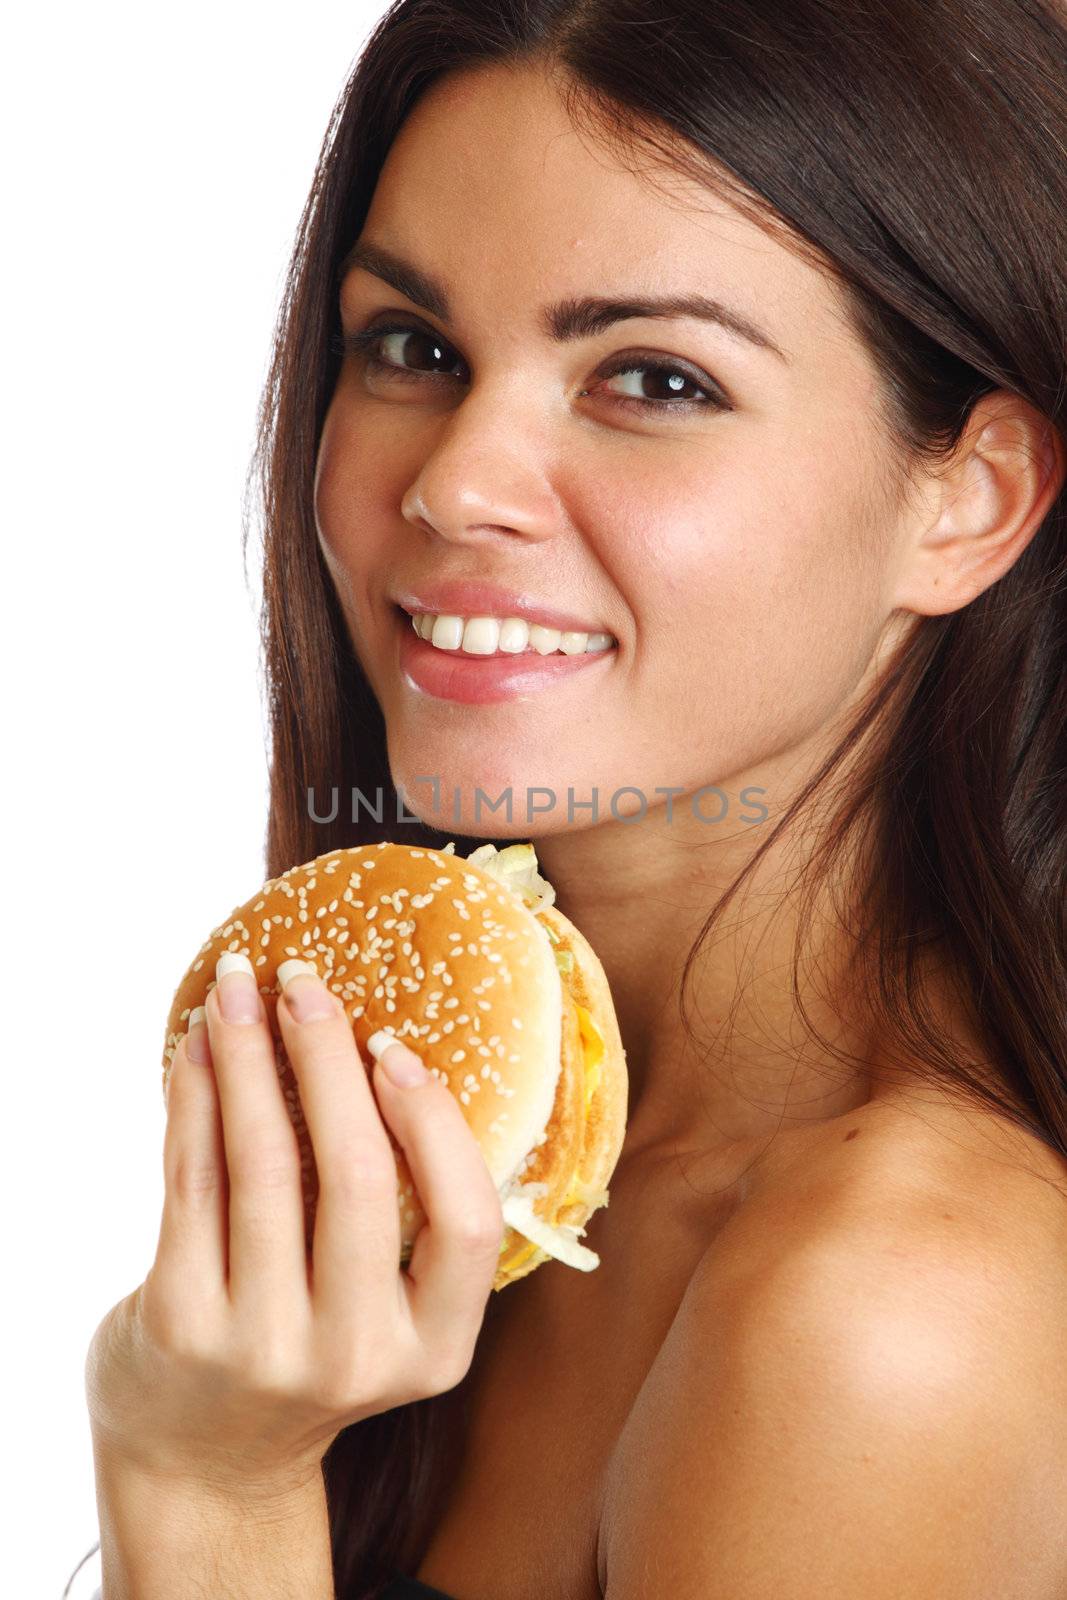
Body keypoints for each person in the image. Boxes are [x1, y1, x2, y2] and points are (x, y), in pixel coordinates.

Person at [71, 0, 1067, 1596]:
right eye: (412, 347)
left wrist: (202, 1486)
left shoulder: (882, 1312)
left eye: (655, 380)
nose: (458, 479)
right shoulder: (466, 1158)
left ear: (968, 500)